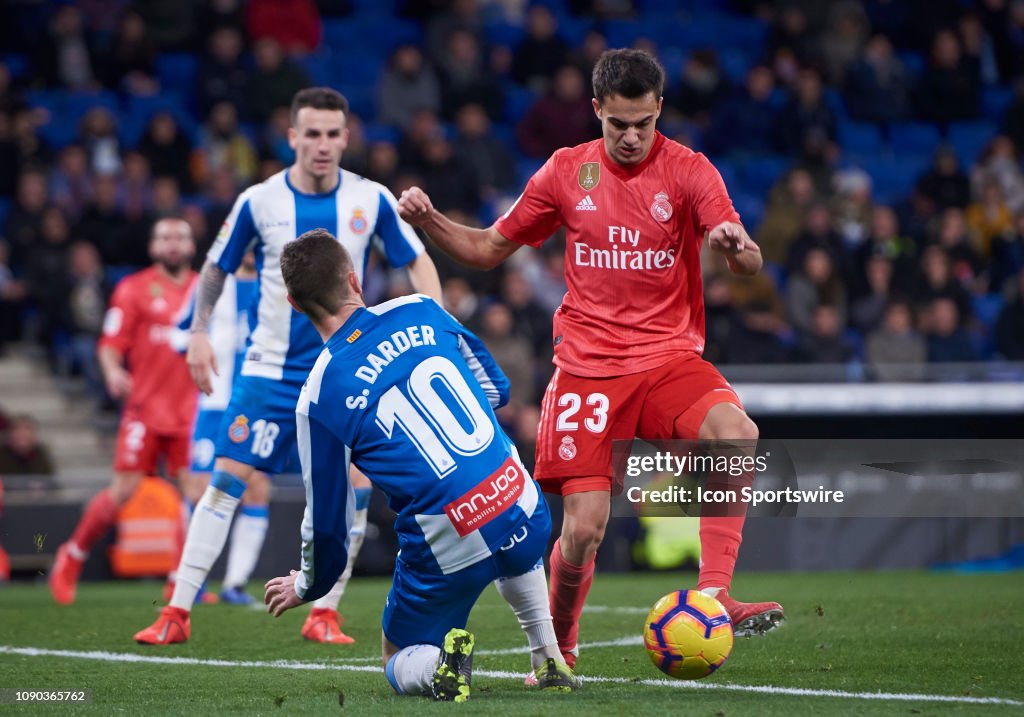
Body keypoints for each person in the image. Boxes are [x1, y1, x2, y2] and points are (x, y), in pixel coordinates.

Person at [398, 49, 784, 671]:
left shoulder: (690, 171)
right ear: (597, 110)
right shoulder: (564, 172)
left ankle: (714, 592)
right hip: (587, 367)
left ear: (659, 109)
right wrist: (430, 220)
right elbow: (490, 248)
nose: (631, 137)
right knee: (583, 530)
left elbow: (749, 259)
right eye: (618, 124)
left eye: (643, 124)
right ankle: (557, 650)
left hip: (666, 358)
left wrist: (736, 248)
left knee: (737, 433)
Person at [134, 87, 442, 645]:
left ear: (346, 138)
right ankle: (175, 613)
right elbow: (215, 266)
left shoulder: (370, 199)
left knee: (355, 486)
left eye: (332, 134)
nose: (323, 145)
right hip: (270, 372)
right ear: (293, 136)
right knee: (227, 480)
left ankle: (324, 612)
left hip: (349, 370)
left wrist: (436, 325)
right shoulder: (259, 201)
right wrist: (199, 332)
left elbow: (417, 262)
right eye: (312, 133)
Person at [261, 230, 579, 699]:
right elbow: (495, 389)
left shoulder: (318, 394)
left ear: (295, 303)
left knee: (396, 652)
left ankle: (441, 669)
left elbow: (328, 519)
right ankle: (549, 655)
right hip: (523, 501)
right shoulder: (420, 308)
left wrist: (308, 583)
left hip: (452, 537)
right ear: (355, 279)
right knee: (513, 531)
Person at [49, 218, 199, 605]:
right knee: (123, 490)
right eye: (164, 237)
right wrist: (113, 371)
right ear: (153, 247)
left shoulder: (207, 290)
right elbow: (109, 343)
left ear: (191, 245)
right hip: (145, 408)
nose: (172, 244)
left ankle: (178, 584)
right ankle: (73, 554)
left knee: (195, 493)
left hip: (193, 411)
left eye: (179, 237)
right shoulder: (132, 289)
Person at [174, 252, 267, 605]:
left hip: (256, 403)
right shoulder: (211, 284)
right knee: (199, 489)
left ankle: (235, 585)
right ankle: (192, 581)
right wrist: (200, 345)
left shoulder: (275, 284)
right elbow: (176, 332)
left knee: (257, 488)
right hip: (214, 404)